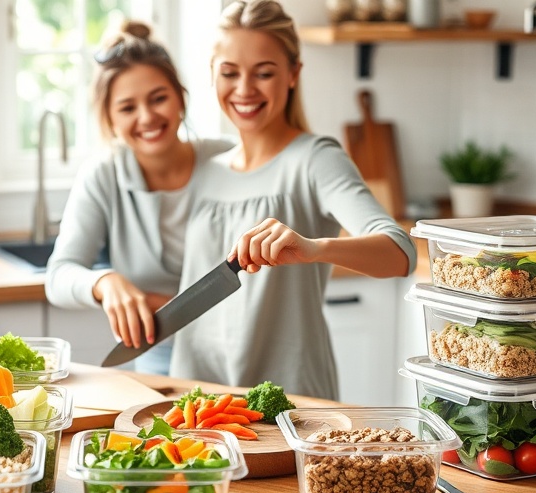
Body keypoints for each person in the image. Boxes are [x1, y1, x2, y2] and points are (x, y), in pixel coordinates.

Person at [169, 0, 416, 399]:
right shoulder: (204, 168)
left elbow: (401, 252)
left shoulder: (316, 159)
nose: (245, 89)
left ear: (293, 74)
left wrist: (315, 248)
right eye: (229, 73)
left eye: (263, 73)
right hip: (199, 400)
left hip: (291, 403)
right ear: (211, 75)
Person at [44, 22, 233, 375]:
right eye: (128, 107)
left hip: (239, 353)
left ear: (181, 96)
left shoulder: (231, 159)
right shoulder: (103, 174)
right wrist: (104, 282)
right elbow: (59, 277)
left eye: (158, 98)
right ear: (110, 119)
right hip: (159, 362)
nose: (147, 117)